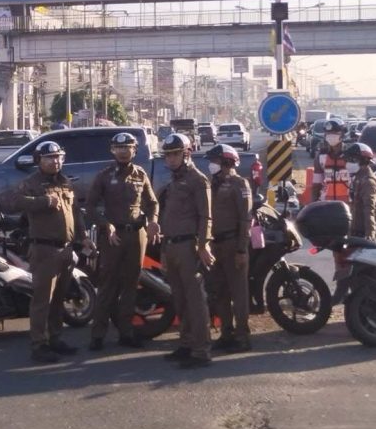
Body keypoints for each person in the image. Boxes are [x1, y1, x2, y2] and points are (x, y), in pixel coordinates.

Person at [13, 140, 92, 363]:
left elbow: (76, 213)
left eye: (58, 157)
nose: (55, 161)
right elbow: (16, 202)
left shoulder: (66, 182)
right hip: (44, 249)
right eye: (49, 158)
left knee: (58, 299)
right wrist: (44, 201)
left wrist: (84, 237)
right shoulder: (31, 183)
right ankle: (39, 344)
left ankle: (55, 338)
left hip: (66, 249)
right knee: (42, 300)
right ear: (39, 160)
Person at [85, 132, 160, 351]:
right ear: (112, 150)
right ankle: (98, 335)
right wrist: (104, 224)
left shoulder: (140, 174)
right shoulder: (104, 175)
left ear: (134, 151)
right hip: (113, 237)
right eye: (119, 148)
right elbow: (90, 206)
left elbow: (152, 203)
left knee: (130, 284)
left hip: (136, 235)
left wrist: (153, 221)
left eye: (128, 147)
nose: (123, 151)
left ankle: (126, 333)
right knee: (107, 285)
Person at [155, 133, 214, 369]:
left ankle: (201, 350)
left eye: (175, 154)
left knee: (195, 301)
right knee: (180, 300)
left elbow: (206, 216)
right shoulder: (173, 181)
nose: (171, 159)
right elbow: (167, 219)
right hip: (171, 246)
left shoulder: (197, 180)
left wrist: (203, 244)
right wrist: (164, 250)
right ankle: (187, 343)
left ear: (187, 153)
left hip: (189, 247)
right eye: (168, 155)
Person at [206, 144, 253, 353]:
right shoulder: (211, 184)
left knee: (238, 293)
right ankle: (226, 333)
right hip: (215, 244)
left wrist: (242, 249)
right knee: (220, 291)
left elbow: (245, 219)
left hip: (233, 244)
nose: (211, 165)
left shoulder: (239, 184)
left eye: (214, 161)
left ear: (226, 162)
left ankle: (242, 336)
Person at [334, 142, 376, 303]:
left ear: (362, 161)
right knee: (348, 269)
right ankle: (344, 298)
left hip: (364, 234)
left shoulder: (368, 181)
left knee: (361, 273)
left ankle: (357, 302)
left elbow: (369, 209)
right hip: (357, 231)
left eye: (351, 160)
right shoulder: (359, 178)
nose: (347, 163)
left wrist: (370, 235)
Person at [312, 119, 351, 295]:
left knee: (350, 250)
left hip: (349, 210)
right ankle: (342, 288)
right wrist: (312, 207)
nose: (331, 137)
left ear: (342, 135)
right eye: (328, 134)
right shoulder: (320, 156)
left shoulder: (352, 155)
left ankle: (349, 287)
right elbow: (316, 184)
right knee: (337, 250)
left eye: (334, 134)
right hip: (329, 210)